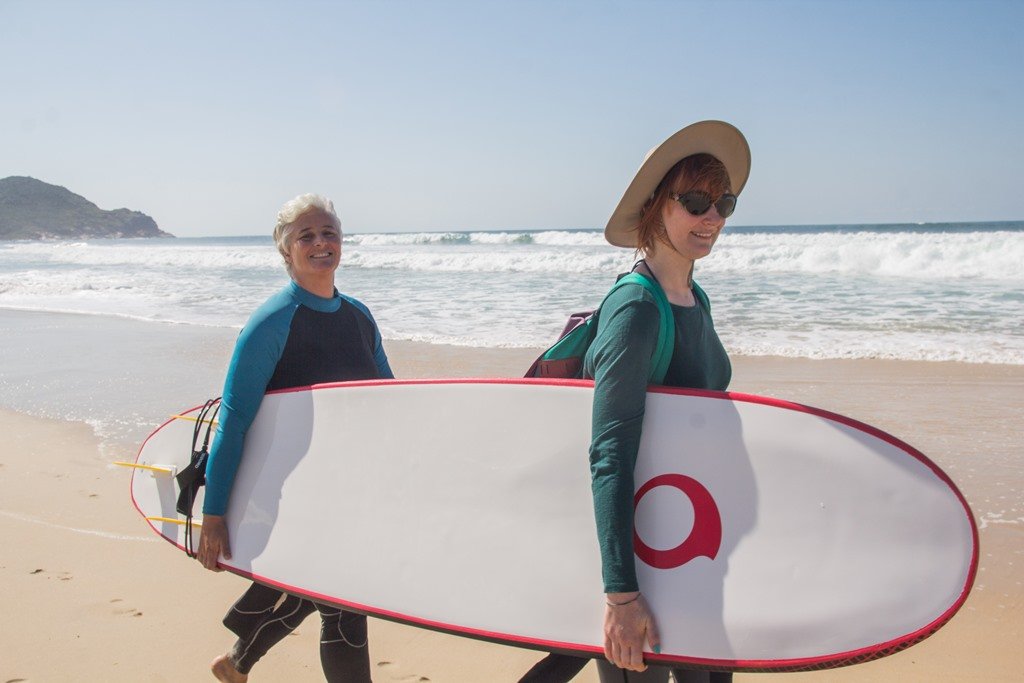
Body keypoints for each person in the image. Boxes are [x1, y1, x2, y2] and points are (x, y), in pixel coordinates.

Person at [519, 121, 750, 683]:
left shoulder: (696, 297)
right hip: (643, 556)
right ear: (655, 208)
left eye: (724, 203)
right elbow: (610, 452)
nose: (712, 217)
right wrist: (622, 596)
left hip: (688, 546)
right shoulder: (637, 309)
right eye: (695, 201)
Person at [196, 193, 393, 683]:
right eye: (306, 235)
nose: (320, 242)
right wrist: (213, 514)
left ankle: (237, 662)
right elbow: (235, 421)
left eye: (328, 232)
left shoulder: (359, 316)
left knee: (327, 594)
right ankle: (238, 660)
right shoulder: (272, 321)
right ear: (285, 249)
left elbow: (390, 403)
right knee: (343, 605)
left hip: (350, 488)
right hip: (298, 494)